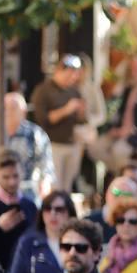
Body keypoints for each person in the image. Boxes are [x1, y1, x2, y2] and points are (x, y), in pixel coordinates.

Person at [0, 92, 56, 202]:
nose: (7, 112)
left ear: (23, 112)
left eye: (13, 108)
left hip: (25, 191)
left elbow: (46, 165)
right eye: (4, 107)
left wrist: (45, 184)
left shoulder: (35, 134)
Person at [30, 54, 88, 192]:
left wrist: (81, 111)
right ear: (60, 70)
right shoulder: (43, 90)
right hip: (53, 144)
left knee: (67, 187)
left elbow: (81, 120)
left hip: (72, 143)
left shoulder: (74, 91)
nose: (73, 77)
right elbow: (42, 119)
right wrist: (67, 109)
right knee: (54, 186)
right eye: (70, 73)